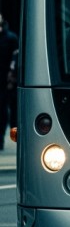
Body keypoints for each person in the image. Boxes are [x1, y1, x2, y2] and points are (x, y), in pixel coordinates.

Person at [0, 14, 17, 149]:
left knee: (2, 108)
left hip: (5, 79)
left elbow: (15, 57)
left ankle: (0, 137)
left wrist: (12, 75)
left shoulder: (10, 38)